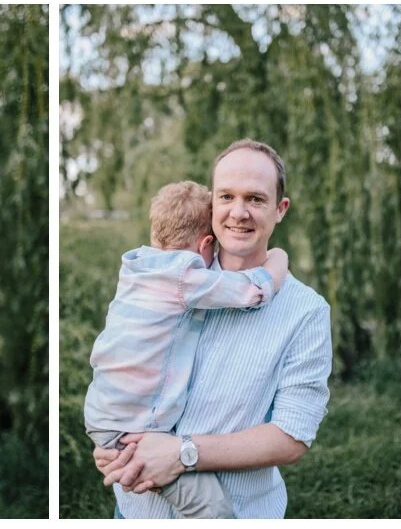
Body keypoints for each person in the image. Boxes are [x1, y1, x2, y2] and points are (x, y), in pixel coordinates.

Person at [94, 140, 332, 518]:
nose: (239, 212)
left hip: (234, 513)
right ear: (212, 205)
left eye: (255, 199)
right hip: (136, 510)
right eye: (227, 196)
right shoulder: (160, 286)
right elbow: (118, 363)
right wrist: (112, 438)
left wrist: (182, 453)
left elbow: (292, 436)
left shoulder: (306, 311)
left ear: (280, 209)